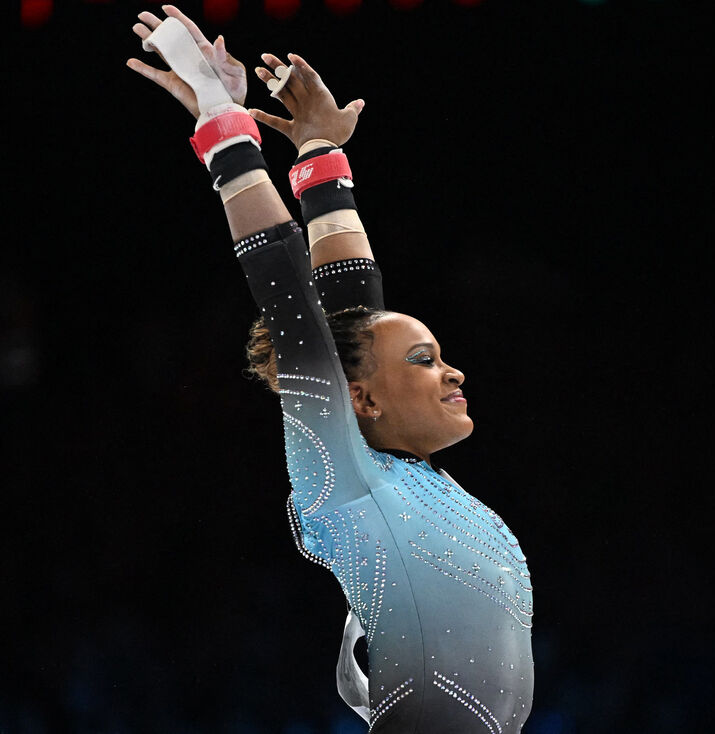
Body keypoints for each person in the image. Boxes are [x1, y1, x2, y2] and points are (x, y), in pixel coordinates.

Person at [126, 7, 533, 731]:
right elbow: (292, 298)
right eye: (426, 360)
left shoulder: (392, 474)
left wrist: (320, 154)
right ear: (361, 400)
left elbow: (353, 322)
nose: (455, 372)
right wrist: (221, 118)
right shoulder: (343, 477)